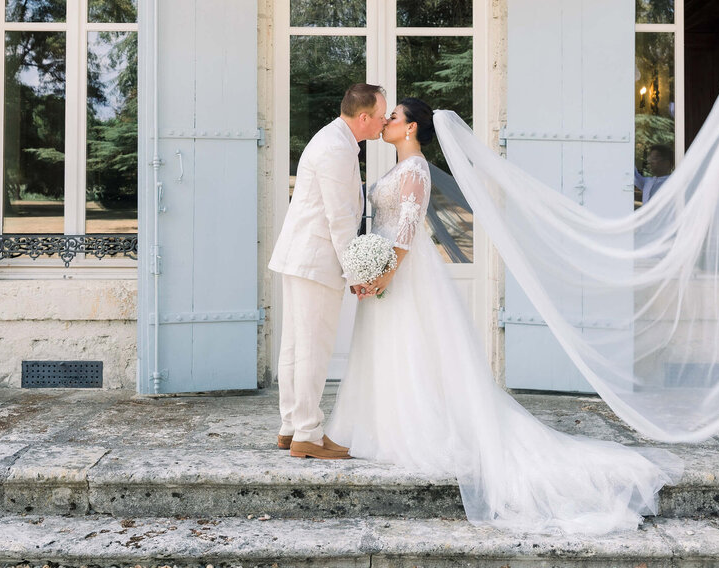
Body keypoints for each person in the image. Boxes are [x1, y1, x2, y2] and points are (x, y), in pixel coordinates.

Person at [327, 98, 682, 533]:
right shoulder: (398, 168)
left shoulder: (416, 169)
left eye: (394, 117)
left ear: (412, 127)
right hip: (385, 268)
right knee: (388, 349)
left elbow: (405, 230)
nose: (385, 122)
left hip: (402, 271)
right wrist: (368, 266)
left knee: (411, 347)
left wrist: (383, 273)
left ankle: (412, 427)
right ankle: (379, 423)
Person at [268, 83, 388, 460]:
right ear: (364, 117)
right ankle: (307, 434)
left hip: (302, 256)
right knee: (312, 348)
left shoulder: (336, 140)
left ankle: (292, 426)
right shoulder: (336, 148)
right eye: (381, 115)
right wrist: (357, 274)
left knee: (295, 345)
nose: (384, 121)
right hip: (314, 259)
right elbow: (340, 220)